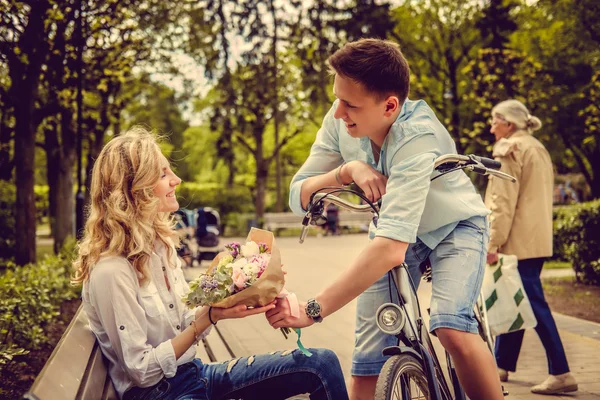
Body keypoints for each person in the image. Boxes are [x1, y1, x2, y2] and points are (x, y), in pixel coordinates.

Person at [266, 38, 503, 400]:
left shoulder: (415, 136)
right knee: (367, 364)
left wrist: (313, 310)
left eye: (350, 104)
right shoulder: (338, 120)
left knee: (451, 326)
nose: (339, 112)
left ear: (390, 105)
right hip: (393, 232)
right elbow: (299, 193)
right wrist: (346, 170)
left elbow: (391, 250)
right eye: (337, 98)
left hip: (454, 227)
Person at [71, 128, 349, 400]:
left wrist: (237, 291)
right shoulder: (112, 271)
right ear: (135, 188)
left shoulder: (159, 248)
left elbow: (187, 322)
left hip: (194, 375)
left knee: (321, 365)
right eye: (163, 173)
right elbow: (142, 371)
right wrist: (210, 317)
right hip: (158, 393)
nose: (176, 180)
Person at [485, 99, 578, 395]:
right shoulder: (537, 147)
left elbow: (502, 201)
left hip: (515, 241)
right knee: (518, 299)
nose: (491, 127)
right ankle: (501, 364)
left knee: (531, 303)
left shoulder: (509, 148)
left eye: (494, 121)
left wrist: (492, 241)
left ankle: (561, 372)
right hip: (535, 241)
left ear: (509, 124)